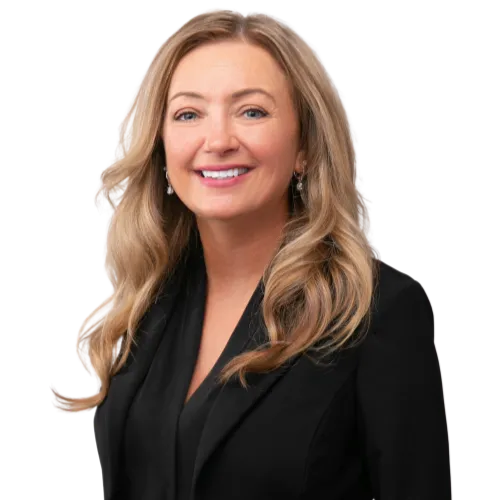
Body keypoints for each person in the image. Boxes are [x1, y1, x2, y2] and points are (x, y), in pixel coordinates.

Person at [51, 7, 452, 499]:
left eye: (252, 111)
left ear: (304, 145)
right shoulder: (142, 308)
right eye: (188, 114)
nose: (218, 140)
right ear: (160, 146)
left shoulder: (377, 312)